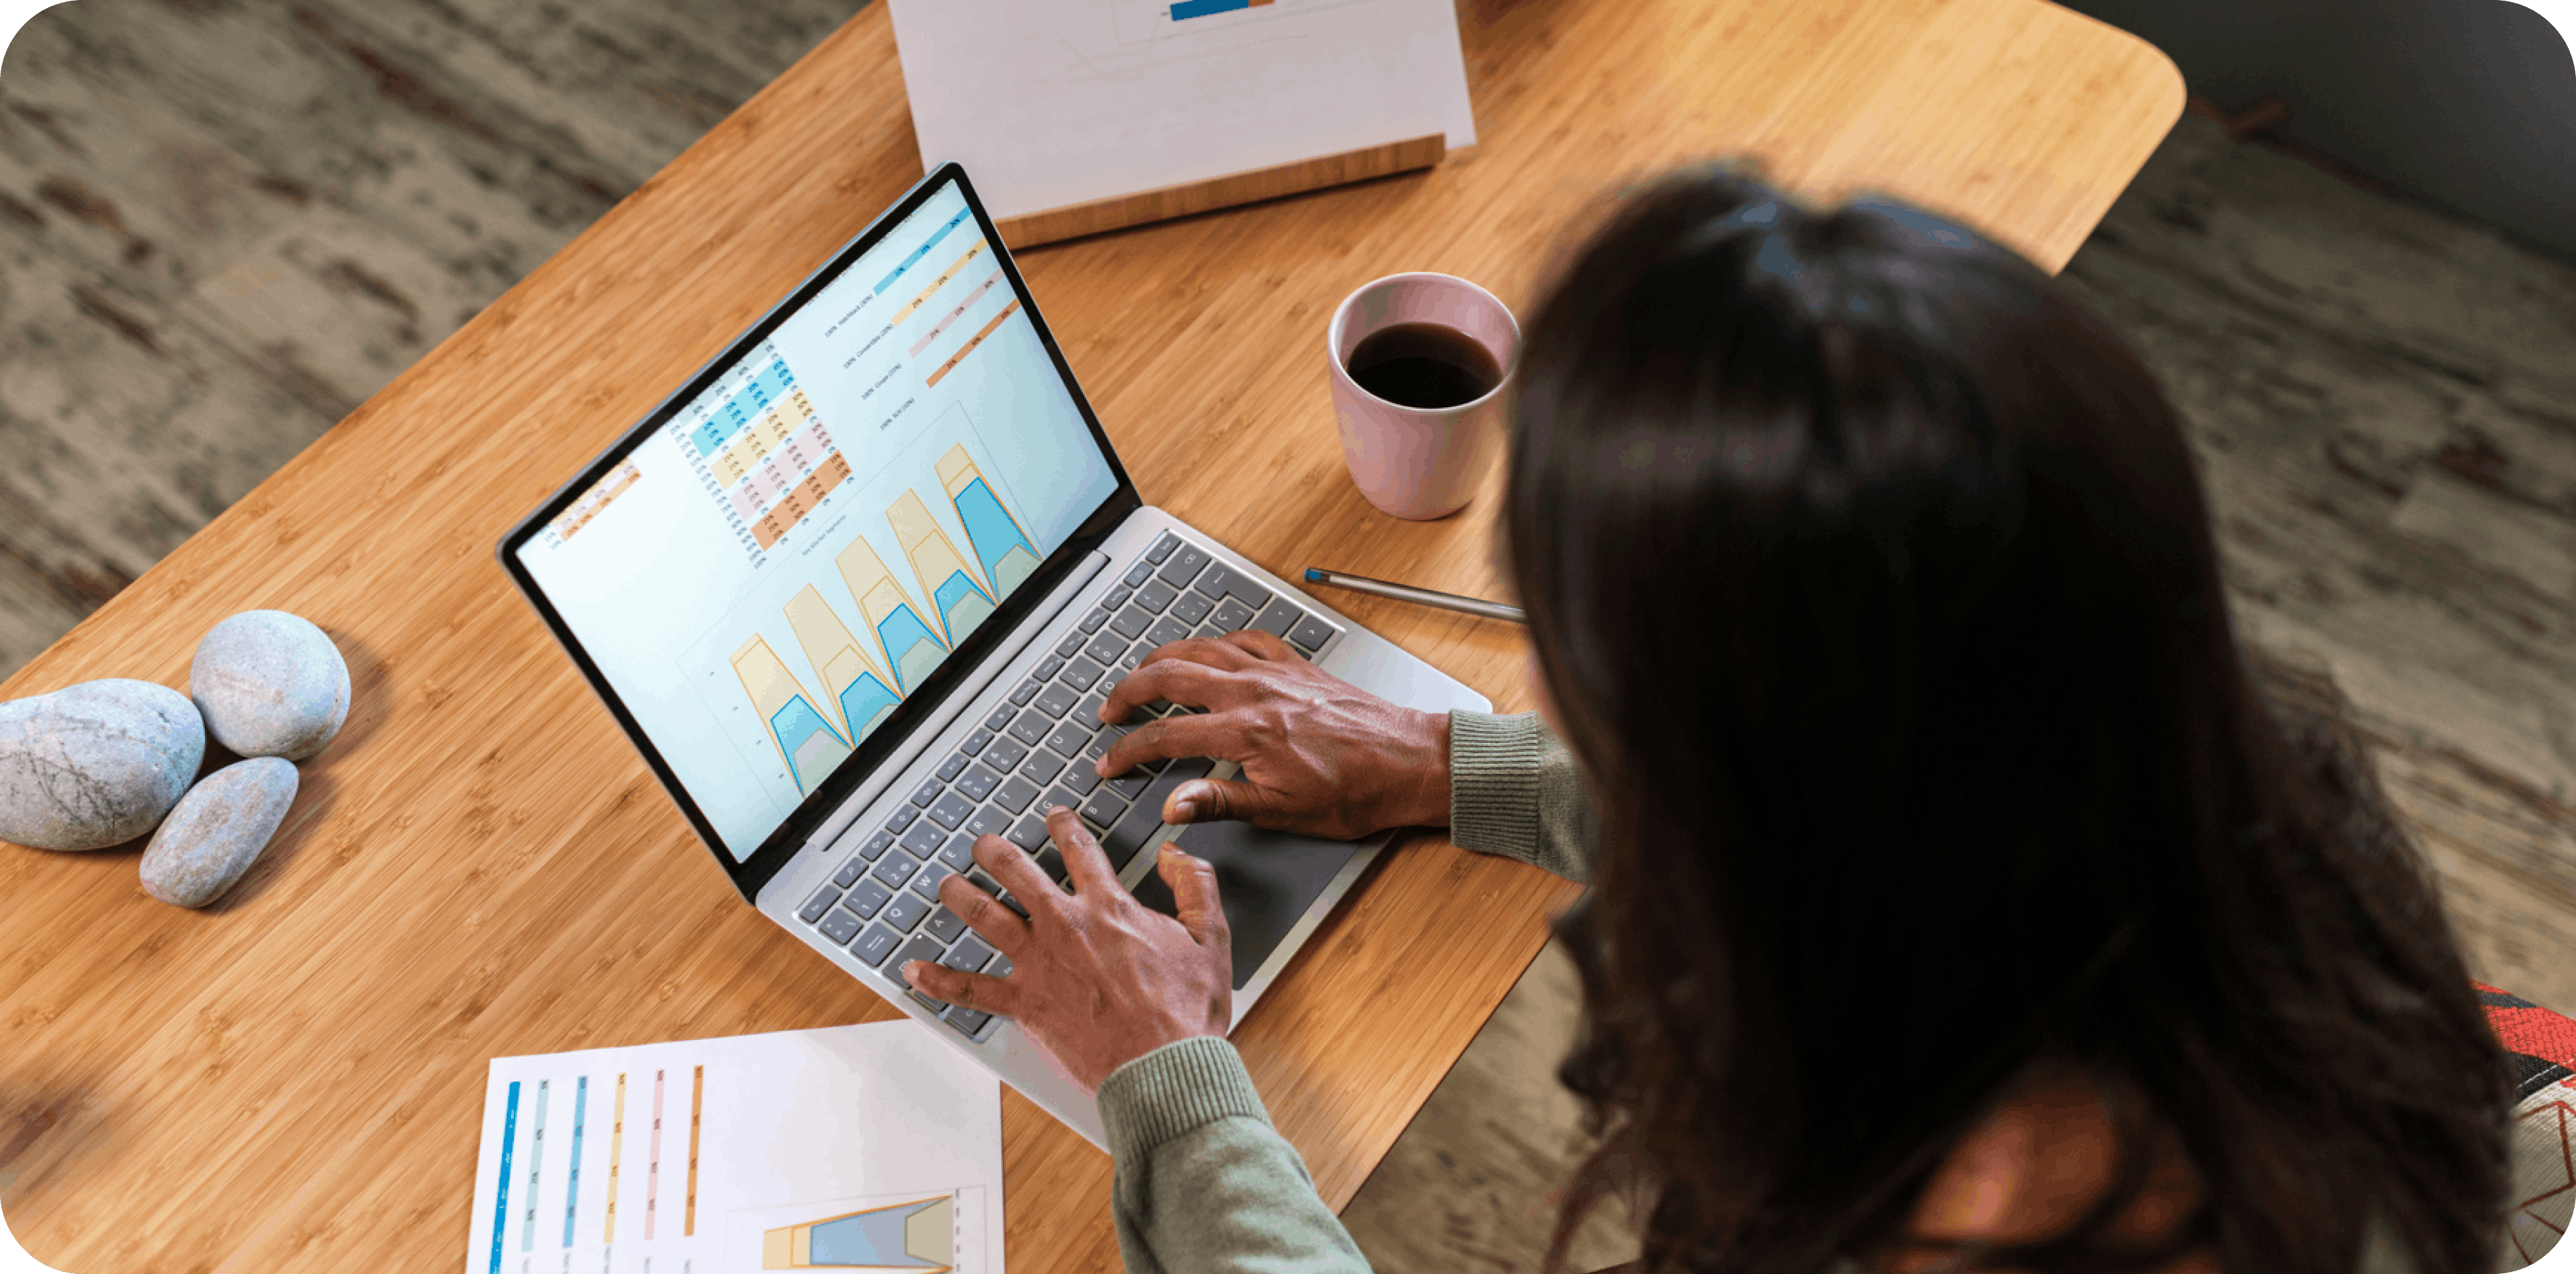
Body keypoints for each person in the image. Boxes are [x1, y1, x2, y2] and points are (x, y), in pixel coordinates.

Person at [902, 167, 2522, 1274]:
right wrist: (1444, 758)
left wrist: (1172, 1079)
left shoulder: (1993, 1210)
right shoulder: (2209, 798)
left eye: (1612, 698)